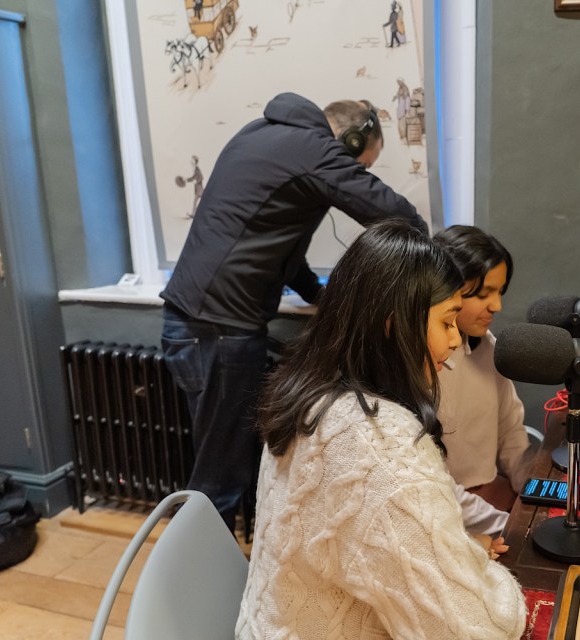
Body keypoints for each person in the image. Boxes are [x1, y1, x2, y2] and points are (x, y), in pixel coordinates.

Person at [237, 221, 527, 639]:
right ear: (394, 327)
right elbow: (473, 630)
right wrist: (476, 569)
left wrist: (455, 555)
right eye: (446, 323)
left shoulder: (309, 392)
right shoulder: (382, 446)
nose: (451, 343)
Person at [160, 93, 426, 533]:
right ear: (351, 138)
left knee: (224, 468)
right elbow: (394, 213)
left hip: (196, 325)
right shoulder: (312, 149)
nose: (355, 174)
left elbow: (283, 249)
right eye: (360, 164)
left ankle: (212, 576)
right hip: (219, 330)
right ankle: (202, 592)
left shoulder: (262, 135)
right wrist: (426, 262)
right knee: (220, 481)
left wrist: (318, 294)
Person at [434, 225, 535, 514]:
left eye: (500, 291)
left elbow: (511, 434)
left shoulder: (488, 348)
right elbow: (433, 488)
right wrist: (504, 524)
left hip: (489, 497)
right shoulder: (422, 365)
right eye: (484, 294)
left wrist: (533, 489)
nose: (497, 306)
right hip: (446, 510)